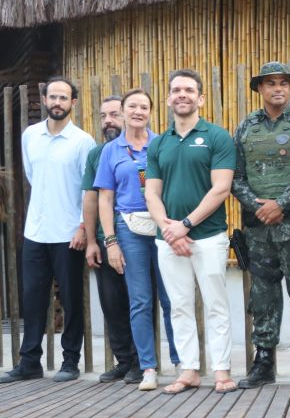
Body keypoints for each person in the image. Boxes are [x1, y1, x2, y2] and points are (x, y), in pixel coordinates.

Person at [145, 69, 236, 394]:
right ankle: (189, 370)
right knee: (179, 305)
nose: (181, 95)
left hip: (208, 236)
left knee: (216, 304)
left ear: (200, 98)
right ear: (169, 99)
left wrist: (185, 226)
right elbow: (151, 193)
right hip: (168, 240)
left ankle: (222, 371)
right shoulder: (158, 144)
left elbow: (221, 189)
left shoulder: (217, 137)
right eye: (175, 90)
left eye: (188, 90)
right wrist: (169, 230)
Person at [232, 62, 290, 389]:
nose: (278, 88)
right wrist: (260, 207)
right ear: (260, 89)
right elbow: (236, 177)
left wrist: (280, 204)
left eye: (284, 83)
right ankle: (264, 360)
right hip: (258, 229)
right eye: (270, 83)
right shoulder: (245, 127)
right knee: (263, 294)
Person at [1, 77, 95, 384]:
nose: (57, 102)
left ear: (73, 103)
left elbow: (88, 189)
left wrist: (82, 226)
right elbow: (31, 174)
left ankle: (70, 361)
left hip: (69, 233)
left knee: (70, 299)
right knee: (32, 299)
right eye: (52, 96)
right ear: (44, 99)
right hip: (35, 232)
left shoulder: (83, 141)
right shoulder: (31, 136)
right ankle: (29, 362)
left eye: (63, 98)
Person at [95, 89, 182, 391]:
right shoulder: (111, 150)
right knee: (140, 300)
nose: (138, 111)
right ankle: (148, 367)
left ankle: (181, 362)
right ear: (121, 111)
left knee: (172, 298)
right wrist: (110, 241)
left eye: (144, 106)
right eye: (132, 106)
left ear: (151, 112)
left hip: (162, 227)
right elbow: (105, 199)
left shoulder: (162, 144)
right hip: (128, 228)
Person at [82, 95, 140, 384]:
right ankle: (124, 361)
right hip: (107, 241)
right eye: (104, 116)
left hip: (140, 238)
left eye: (115, 114)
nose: (108, 121)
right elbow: (91, 199)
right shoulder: (97, 154)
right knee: (112, 303)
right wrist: (92, 240)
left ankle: (142, 360)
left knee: (139, 302)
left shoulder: (147, 147)